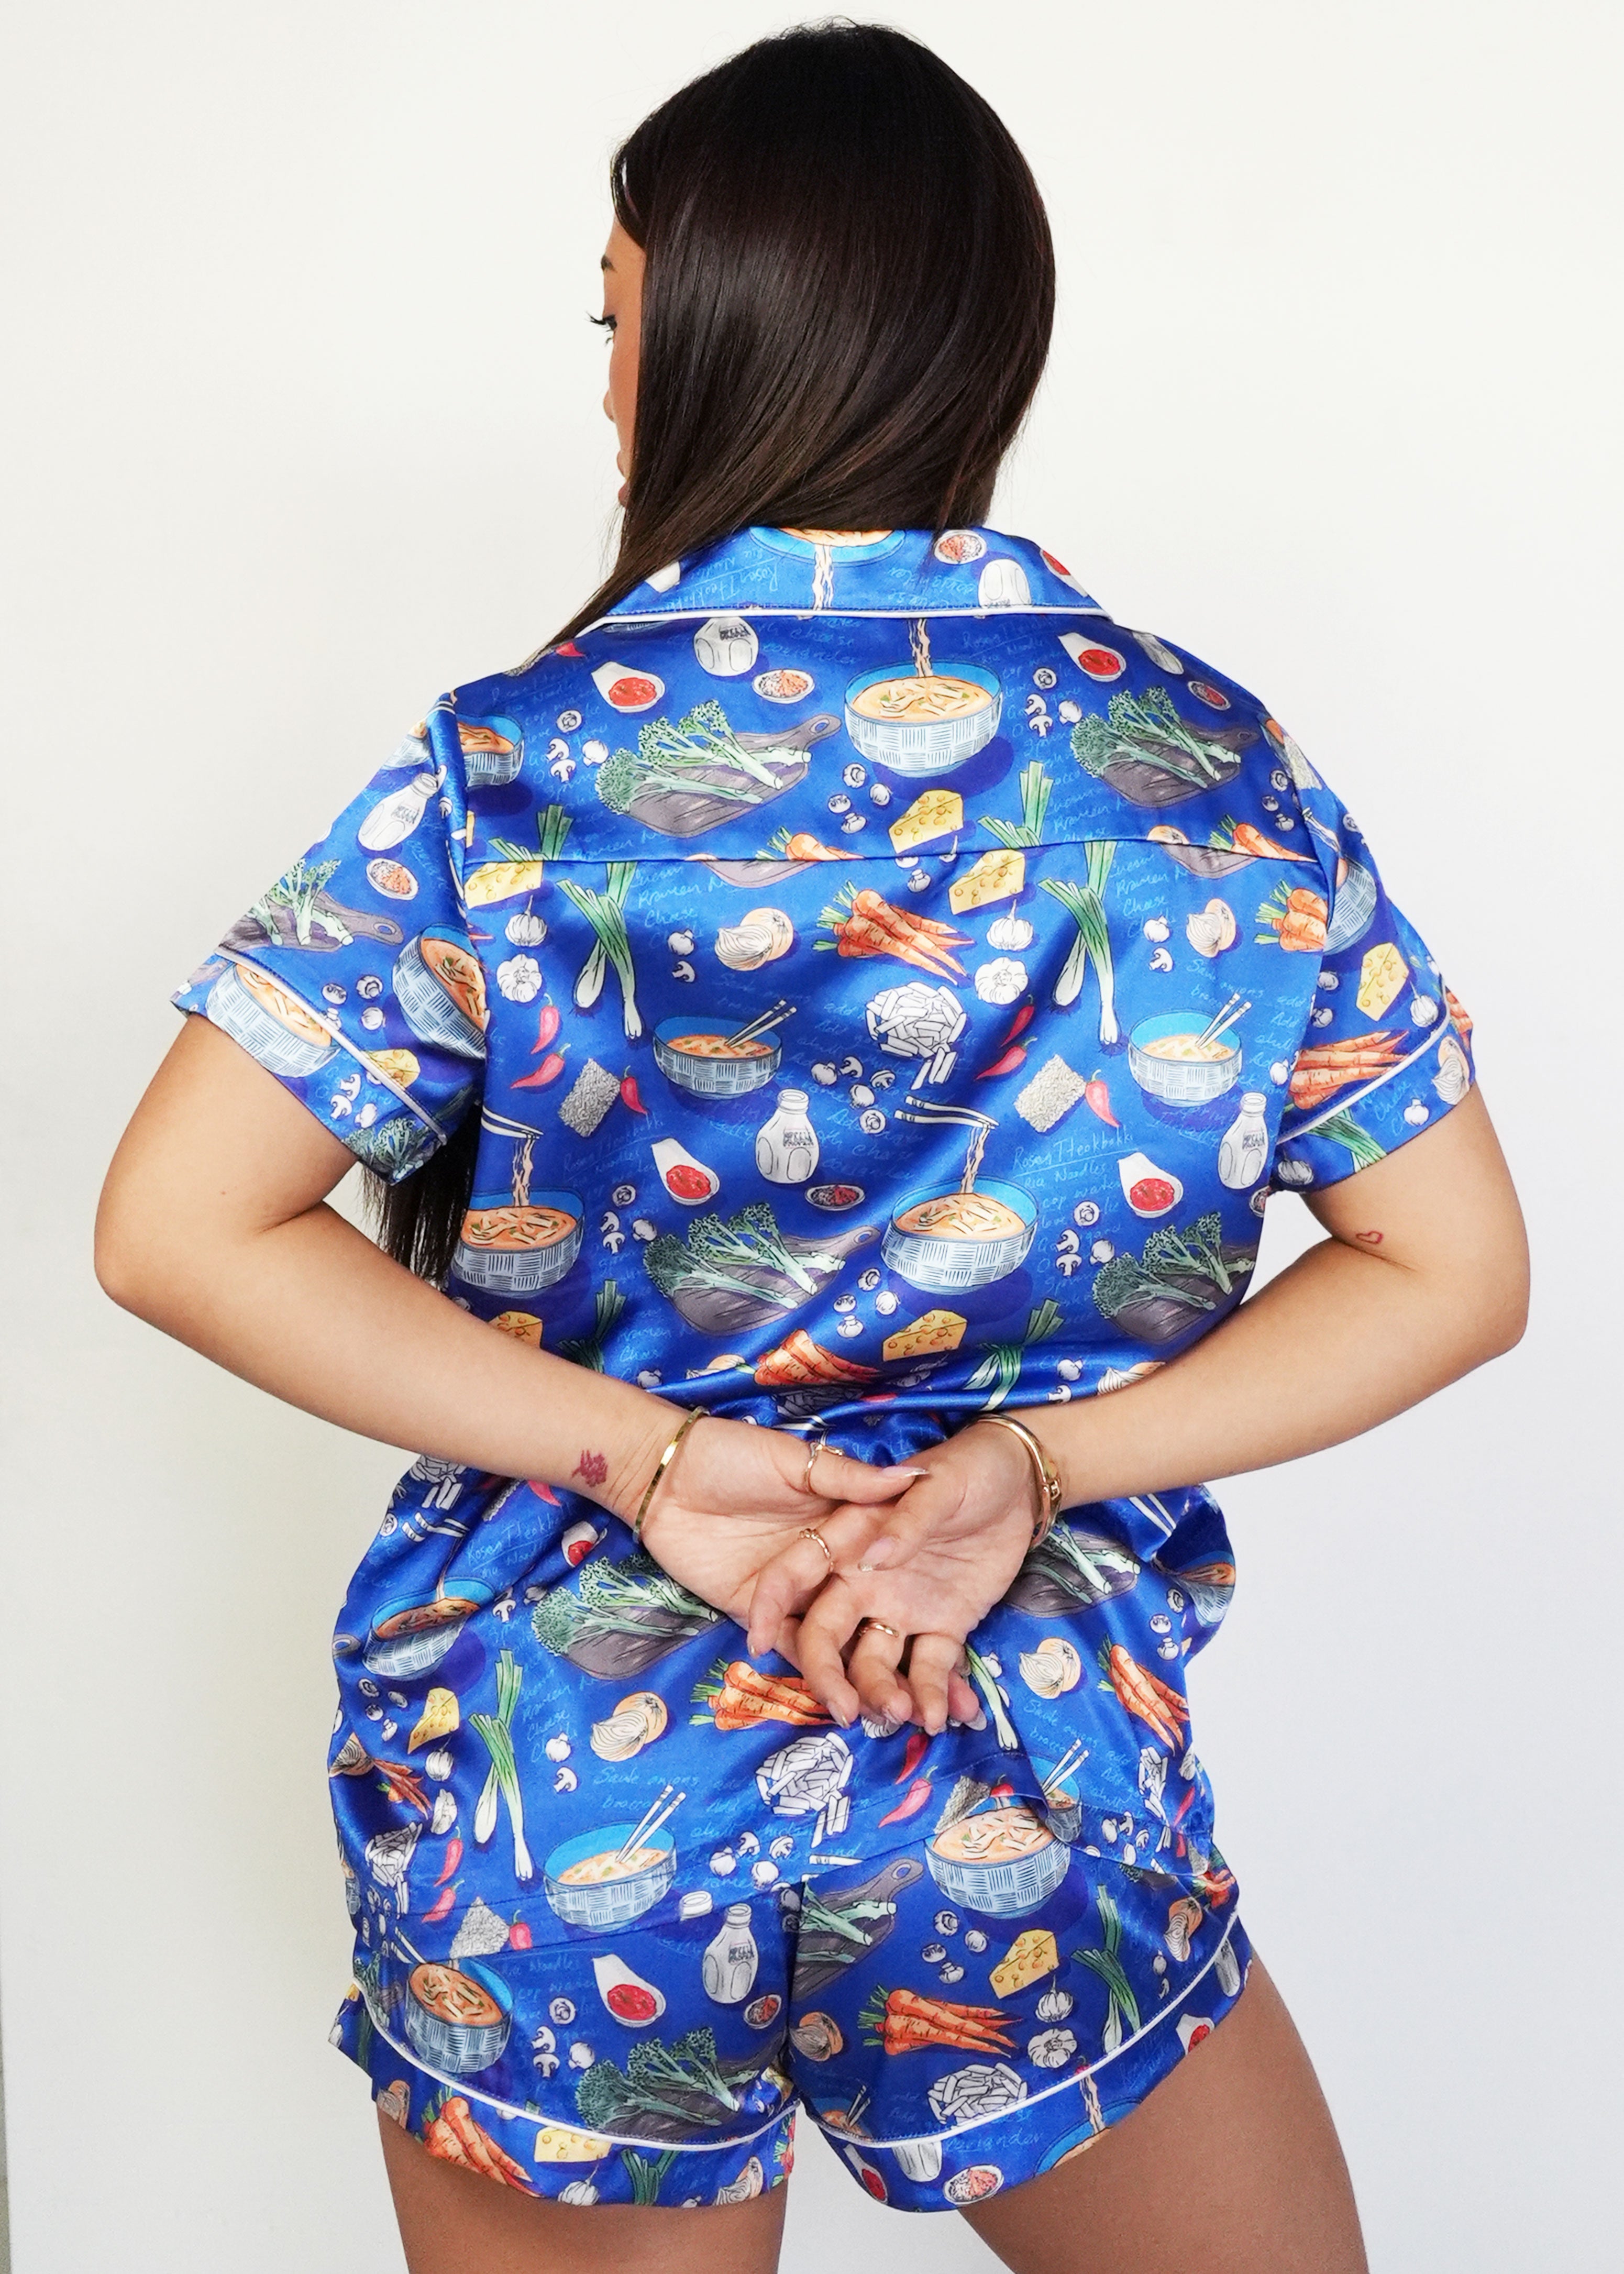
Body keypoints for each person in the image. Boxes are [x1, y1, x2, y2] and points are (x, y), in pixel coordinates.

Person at [94, 23, 1528, 2274]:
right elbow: (1454, 1268)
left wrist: (662, 1465)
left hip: (564, 1799)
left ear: (724, 333)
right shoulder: (1203, 767)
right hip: (1013, 1757)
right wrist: (1026, 1471)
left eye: (614, 317)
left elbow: (180, 1226)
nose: (605, 390)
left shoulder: (510, 773)